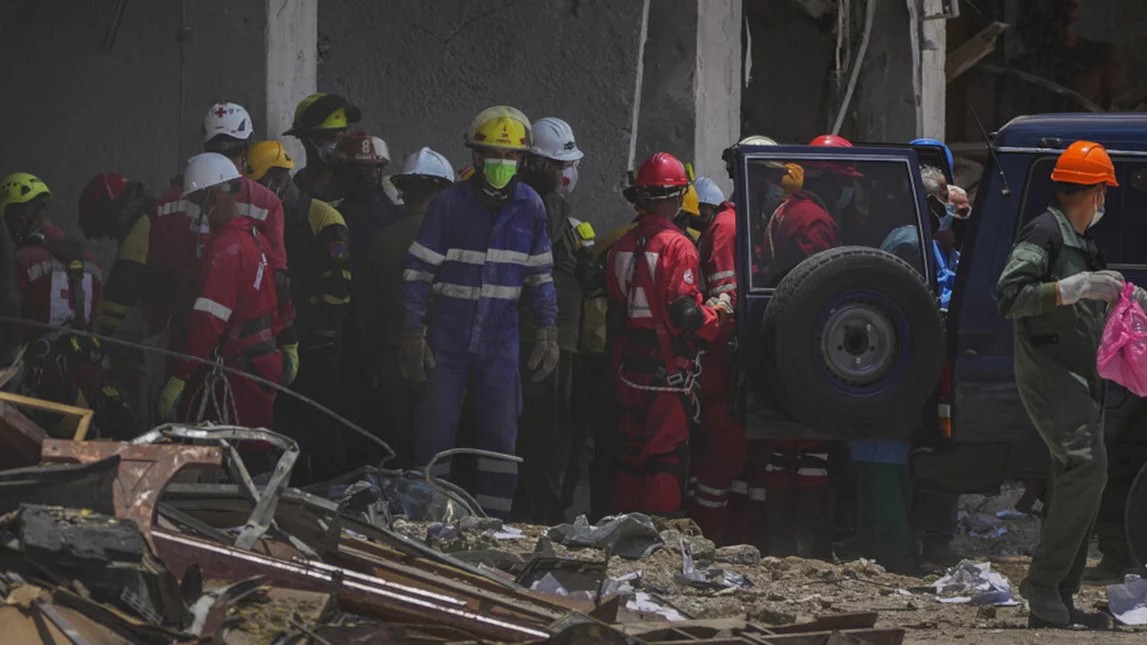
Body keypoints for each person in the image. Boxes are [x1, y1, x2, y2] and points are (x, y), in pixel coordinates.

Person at [400, 105, 559, 519]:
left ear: (523, 159)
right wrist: (412, 333)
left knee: (500, 441)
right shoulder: (449, 206)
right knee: (434, 435)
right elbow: (417, 274)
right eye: (493, 154)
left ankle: (494, 525)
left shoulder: (531, 208)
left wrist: (547, 332)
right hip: (446, 340)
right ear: (474, 156)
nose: (502, 164)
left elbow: (540, 278)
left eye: (511, 156)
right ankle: (426, 520)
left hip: (500, 342)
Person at [997, 140, 1124, 629]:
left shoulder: (1080, 241)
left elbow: (1094, 299)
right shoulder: (1045, 232)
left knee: (1083, 478)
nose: (1103, 205)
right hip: (1049, 373)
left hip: (1078, 375)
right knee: (1086, 468)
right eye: (1103, 194)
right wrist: (1074, 288)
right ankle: (1045, 587)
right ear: (1092, 192)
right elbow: (1011, 295)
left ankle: (1061, 598)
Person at [606, 152, 732, 515]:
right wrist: (719, 313)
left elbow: (617, 301)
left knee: (630, 455)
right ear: (677, 197)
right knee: (664, 457)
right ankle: (656, 532)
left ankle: (621, 527)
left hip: (630, 369)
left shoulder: (622, 245)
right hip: (667, 372)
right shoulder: (679, 246)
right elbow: (685, 313)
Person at [158, 153, 287, 435]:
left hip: (238, 372)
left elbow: (207, 323)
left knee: (235, 452)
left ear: (214, 196)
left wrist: (180, 377)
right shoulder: (256, 239)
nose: (198, 213)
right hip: (261, 362)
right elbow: (278, 298)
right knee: (255, 444)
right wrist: (288, 342)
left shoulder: (225, 251)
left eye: (198, 202)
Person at [246, 140, 351, 483]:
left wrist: (320, 337)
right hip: (281, 341)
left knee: (323, 424)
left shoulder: (322, 217)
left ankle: (330, 489)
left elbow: (338, 289)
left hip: (318, 344)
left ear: (278, 179)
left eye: (261, 184)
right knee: (285, 422)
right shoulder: (262, 221)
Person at [147, 102, 291, 348]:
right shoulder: (267, 202)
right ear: (245, 152)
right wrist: (288, 339)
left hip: (187, 336)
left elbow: (156, 278)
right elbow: (277, 279)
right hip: (242, 344)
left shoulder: (169, 201)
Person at [360, 147, 454, 467]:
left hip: (392, 365)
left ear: (403, 190)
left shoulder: (382, 240)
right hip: (447, 366)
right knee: (440, 459)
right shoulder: (457, 242)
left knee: (395, 453)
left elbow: (366, 315)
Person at [512, 116, 585, 523]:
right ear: (537, 163)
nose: (564, 174)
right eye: (558, 165)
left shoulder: (548, 206)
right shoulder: (542, 204)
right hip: (542, 336)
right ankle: (537, 512)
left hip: (558, 336)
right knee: (543, 430)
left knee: (554, 428)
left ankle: (544, 507)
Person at [1, 173, 104, 431]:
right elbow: (95, 326)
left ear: (19, 217)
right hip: (87, 381)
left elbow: (10, 327)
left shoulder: (23, 260)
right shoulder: (88, 259)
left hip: (40, 387)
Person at [678, 176, 744, 543]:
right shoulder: (726, 227)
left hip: (713, 361)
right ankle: (705, 535)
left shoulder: (725, 226)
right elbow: (724, 304)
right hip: (717, 360)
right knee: (716, 456)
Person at [77, 173, 158, 428]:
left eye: (105, 229)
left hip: (160, 331)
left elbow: (122, 290)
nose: (110, 236)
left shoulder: (140, 228)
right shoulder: (146, 216)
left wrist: (93, 338)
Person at [286, 92, 363, 202]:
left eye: (342, 136)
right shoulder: (297, 186)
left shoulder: (357, 184)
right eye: (329, 137)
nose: (337, 144)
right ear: (304, 138)